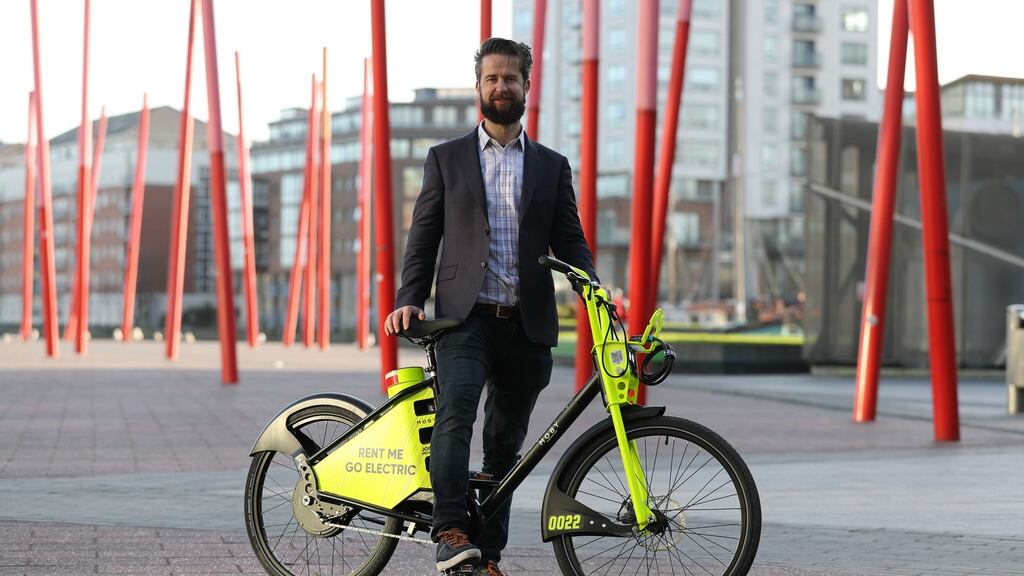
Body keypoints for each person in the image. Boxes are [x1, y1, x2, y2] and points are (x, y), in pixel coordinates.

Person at [384, 38, 596, 576]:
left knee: (506, 445)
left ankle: (489, 556)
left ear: (527, 86)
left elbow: (570, 238)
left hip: (527, 323)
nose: (501, 86)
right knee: (456, 414)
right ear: (478, 87)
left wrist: (591, 286)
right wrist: (409, 298)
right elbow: (423, 236)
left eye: (511, 78)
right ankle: (450, 531)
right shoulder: (446, 158)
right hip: (466, 317)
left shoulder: (552, 166)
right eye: (492, 78)